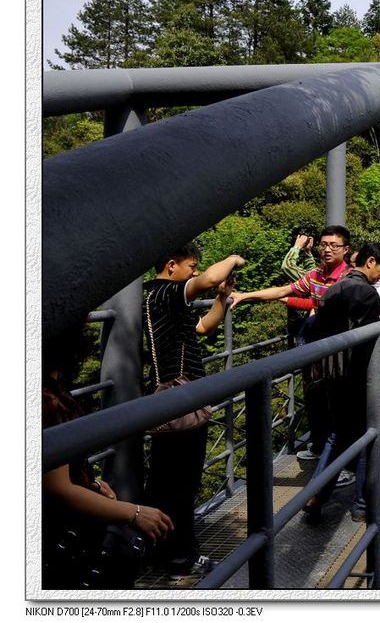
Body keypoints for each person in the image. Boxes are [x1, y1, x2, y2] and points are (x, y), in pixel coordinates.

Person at [43, 326, 174, 589]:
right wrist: (134, 513)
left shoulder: (52, 386)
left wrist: (92, 484)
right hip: (58, 528)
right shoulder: (46, 399)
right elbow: (58, 488)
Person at [143, 243, 244, 578]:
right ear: (172, 266)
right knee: (177, 483)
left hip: (180, 398)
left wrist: (222, 298)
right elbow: (208, 278)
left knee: (177, 481)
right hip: (175, 398)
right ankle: (178, 556)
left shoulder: (167, 299)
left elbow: (203, 328)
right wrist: (232, 258)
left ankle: (171, 552)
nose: (197, 273)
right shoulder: (163, 292)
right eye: (192, 266)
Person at [234, 225, 353, 463]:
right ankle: (321, 448)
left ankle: (343, 464)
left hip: (342, 352)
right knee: (317, 399)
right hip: (319, 350)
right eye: (323, 244)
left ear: (345, 249)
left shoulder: (349, 278)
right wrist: (244, 296)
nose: (327, 250)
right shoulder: (316, 275)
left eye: (334, 245)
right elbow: (283, 290)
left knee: (339, 406)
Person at [300, 241, 380, 523]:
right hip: (355, 375)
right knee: (365, 436)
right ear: (371, 261)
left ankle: (316, 496)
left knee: (337, 434)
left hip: (330, 372)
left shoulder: (334, 288)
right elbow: (364, 342)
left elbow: (315, 329)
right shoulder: (367, 294)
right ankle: (362, 505)